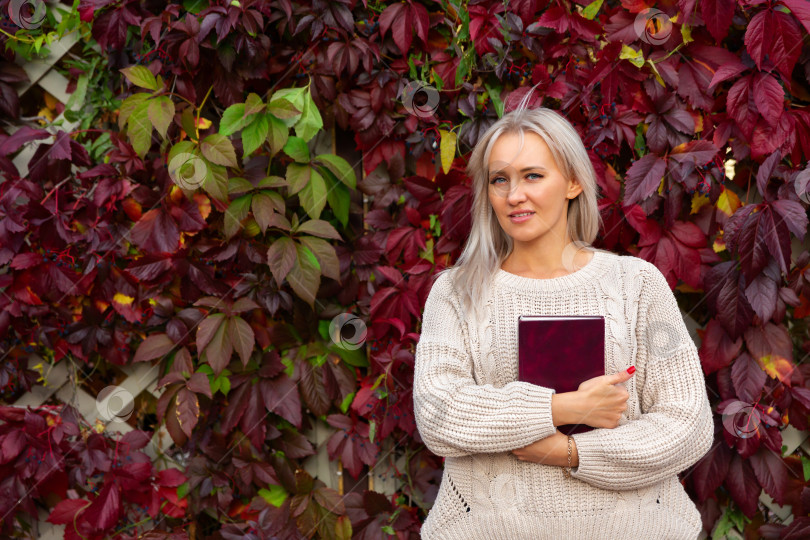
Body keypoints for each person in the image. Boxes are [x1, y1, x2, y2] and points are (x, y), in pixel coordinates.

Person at [412, 94, 714, 539]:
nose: (515, 195)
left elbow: (687, 425)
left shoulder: (636, 284)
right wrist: (562, 407)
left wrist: (569, 452)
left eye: (533, 175)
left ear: (573, 182)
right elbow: (439, 413)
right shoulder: (456, 292)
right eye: (500, 179)